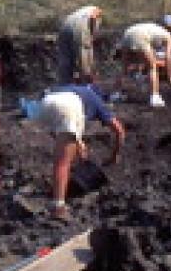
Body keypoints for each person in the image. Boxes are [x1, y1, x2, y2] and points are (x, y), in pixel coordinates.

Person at [37, 84, 125, 219]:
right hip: (70, 107)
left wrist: (79, 143)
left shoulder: (73, 89)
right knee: (63, 162)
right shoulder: (96, 99)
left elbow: (59, 123)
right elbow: (119, 130)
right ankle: (59, 207)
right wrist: (115, 155)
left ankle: (59, 186)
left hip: (45, 104)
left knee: (64, 154)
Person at [116, 22, 171, 108]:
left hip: (128, 33)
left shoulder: (159, 31)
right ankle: (155, 97)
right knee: (152, 67)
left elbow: (142, 56)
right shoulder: (170, 38)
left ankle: (117, 94)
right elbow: (168, 57)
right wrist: (170, 77)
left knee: (124, 68)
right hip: (141, 36)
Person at [57, 5, 103, 84]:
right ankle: (87, 80)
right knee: (83, 53)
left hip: (64, 27)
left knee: (66, 58)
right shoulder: (97, 12)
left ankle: (65, 83)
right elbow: (93, 17)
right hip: (78, 24)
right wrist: (88, 71)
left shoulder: (84, 11)